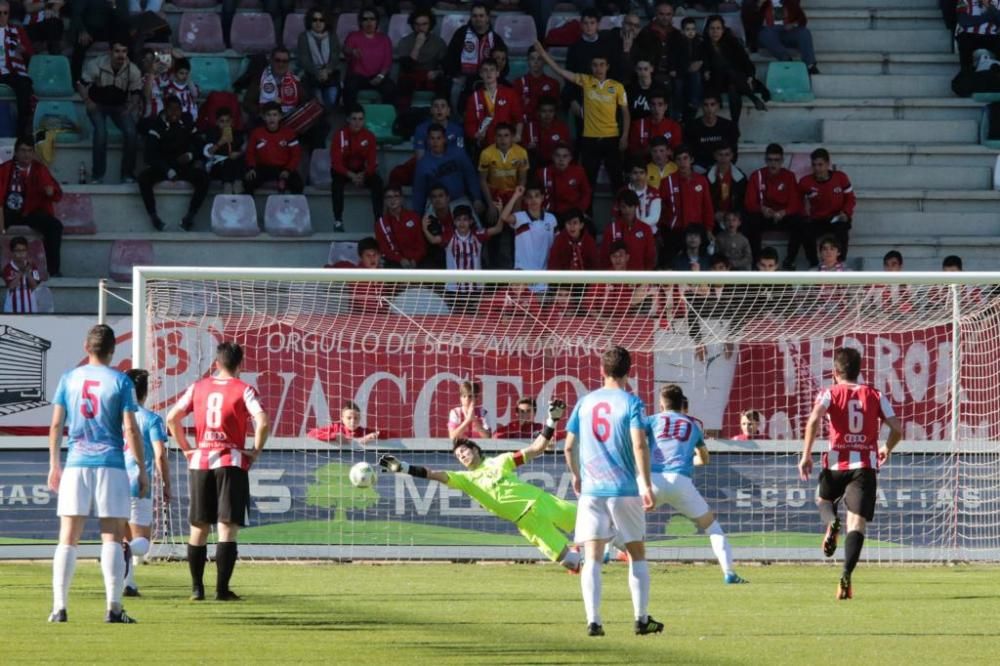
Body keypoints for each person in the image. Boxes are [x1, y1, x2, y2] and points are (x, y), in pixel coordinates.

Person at [380, 401, 583, 572]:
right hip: (527, 523)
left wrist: (551, 420)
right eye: (458, 456)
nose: (462, 456)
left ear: (475, 450)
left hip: (542, 502)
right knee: (572, 563)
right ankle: (581, 556)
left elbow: (536, 448)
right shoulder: (464, 479)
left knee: (594, 524)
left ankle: (606, 549)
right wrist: (403, 467)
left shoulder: (501, 461)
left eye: (464, 451)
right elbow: (432, 474)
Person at [47, 324, 146, 624]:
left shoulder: (69, 378)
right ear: (113, 350)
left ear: (85, 347)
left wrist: (54, 463)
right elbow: (130, 427)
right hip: (112, 464)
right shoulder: (120, 381)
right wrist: (141, 468)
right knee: (112, 536)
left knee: (68, 537)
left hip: (77, 463)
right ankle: (113, 608)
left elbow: (55, 425)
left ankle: (59, 608)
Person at [564, 346, 662, 637]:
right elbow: (639, 444)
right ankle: (641, 619)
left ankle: (594, 621)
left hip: (592, 491)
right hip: (624, 489)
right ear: (629, 371)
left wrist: (577, 475)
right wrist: (645, 484)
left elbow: (569, 446)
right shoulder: (632, 402)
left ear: (601, 371)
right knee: (636, 553)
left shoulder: (585, 402)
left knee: (592, 557)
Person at [166, 342, 269, 602]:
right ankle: (222, 590)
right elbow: (263, 421)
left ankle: (196, 589)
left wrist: (187, 448)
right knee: (226, 527)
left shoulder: (198, 387)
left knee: (198, 527)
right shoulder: (244, 389)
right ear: (240, 365)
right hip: (230, 461)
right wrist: (255, 450)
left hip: (200, 460)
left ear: (217, 363)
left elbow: (171, 418)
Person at [798, 347, 903, 600]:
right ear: (860, 372)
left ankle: (831, 522)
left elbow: (813, 420)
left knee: (823, 500)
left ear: (835, 373)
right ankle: (846, 574)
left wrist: (806, 455)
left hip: (836, 465)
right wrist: (885, 448)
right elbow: (897, 429)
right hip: (864, 468)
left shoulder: (829, 393)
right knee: (857, 523)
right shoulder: (875, 394)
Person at [647, 384, 747, 584]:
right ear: (681, 403)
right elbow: (704, 459)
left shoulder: (650, 421)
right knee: (712, 526)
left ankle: (606, 551)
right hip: (681, 481)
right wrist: (686, 461)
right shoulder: (692, 425)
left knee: (620, 517)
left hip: (654, 479)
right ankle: (729, 573)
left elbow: (636, 443)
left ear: (661, 404)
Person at [535, 43, 630, 196]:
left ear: (607, 67)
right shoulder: (585, 81)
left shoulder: (617, 87)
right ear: (591, 67)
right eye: (595, 65)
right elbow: (560, 71)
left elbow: (625, 112)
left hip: (612, 138)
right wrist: (543, 54)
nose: (598, 68)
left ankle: (620, 216)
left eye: (601, 65)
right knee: (587, 182)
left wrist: (624, 136)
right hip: (590, 139)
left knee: (617, 181)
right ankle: (587, 218)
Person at [121, 368, 170, 598]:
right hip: (138, 483)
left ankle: (128, 584)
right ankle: (121, 554)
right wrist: (167, 484)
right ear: (145, 391)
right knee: (141, 542)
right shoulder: (151, 419)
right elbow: (160, 454)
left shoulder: (115, 417)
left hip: (113, 480)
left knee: (122, 537)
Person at [138, 95, 208, 232]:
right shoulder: (156, 126)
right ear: (165, 110)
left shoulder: (187, 122)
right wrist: (167, 170)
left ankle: (190, 217)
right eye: (171, 110)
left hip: (183, 166)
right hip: (163, 167)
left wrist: (191, 155)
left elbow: (200, 145)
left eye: (177, 109)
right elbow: (150, 155)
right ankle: (154, 217)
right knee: (143, 178)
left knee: (204, 178)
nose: (174, 113)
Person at [78, 39, 142, 184]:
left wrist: (130, 108)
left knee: (132, 133)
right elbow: (81, 85)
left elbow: (136, 93)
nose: (121, 55)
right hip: (97, 104)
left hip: (119, 106)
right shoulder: (96, 64)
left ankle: (127, 174)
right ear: (110, 52)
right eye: (117, 51)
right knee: (101, 133)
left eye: (124, 51)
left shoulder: (133, 70)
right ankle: (97, 176)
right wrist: (88, 102)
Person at [0, 137, 63, 276]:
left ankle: (53, 270)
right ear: (15, 153)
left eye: (29, 151)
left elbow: (56, 194)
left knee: (55, 226)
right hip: (8, 212)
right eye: (22, 150)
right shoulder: (5, 169)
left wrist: (50, 192)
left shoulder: (40, 169)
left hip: (32, 212)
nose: (26, 154)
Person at [744, 143, 806, 269]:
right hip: (764, 215)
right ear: (765, 160)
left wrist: (784, 212)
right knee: (750, 221)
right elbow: (749, 202)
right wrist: (762, 209)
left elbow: (796, 202)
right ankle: (756, 261)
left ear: (782, 161)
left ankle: (790, 260)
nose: (773, 164)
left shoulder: (789, 176)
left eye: (777, 160)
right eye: (770, 160)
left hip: (783, 215)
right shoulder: (757, 176)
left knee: (801, 222)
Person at [423, 204, 502, 301]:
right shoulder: (449, 236)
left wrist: (500, 212)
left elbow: (498, 229)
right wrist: (424, 227)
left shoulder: (478, 235)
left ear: (471, 221)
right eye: (458, 220)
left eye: (465, 219)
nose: (462, 223)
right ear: (454, 222)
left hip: (476, 288)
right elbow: (433, 240)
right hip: (453, 288)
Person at [701, 16, 766, 127]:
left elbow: (746, 62)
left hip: (736, 81)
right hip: (717, 82)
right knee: (727, 70)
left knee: (733, 88)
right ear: (707, 30)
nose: (715, 32)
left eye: (718, 28)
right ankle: (752, 97)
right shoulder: (702, 46)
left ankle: (734, 125)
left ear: (723, 30)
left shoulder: (732, 42)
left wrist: (750, 77)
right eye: (712, 28)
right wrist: (705, 70)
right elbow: (703, 66)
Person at [444, 2, 506, 111]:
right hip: (464, 77)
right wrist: (455, 75)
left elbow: (504, 64)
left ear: (487, 18)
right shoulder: (461, 33)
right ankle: (458, 119)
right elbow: (450, 57)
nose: (478, 19)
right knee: (454, 89)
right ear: (471, 17)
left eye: (481, 16)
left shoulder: (495, 38)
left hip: (487, 78)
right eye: (475, 16)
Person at [330, 105, 384, 232]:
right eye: (354, 119)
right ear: (348, 119)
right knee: (336, 184)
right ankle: (338, 220)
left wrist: (363, 175)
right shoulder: (339, 135)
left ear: (364, 120)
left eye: (360, 119)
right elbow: (336, 163)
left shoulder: (370, 136)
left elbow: (372, 162)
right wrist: (351, 175)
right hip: (343, 171)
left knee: (378, 182)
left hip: (362, 171)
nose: (357, 122)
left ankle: (378, 220)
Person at [412, 125, 483, 216]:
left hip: (459, 200)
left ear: (444, 139)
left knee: (475, 228)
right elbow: (419, 192)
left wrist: (477, 198)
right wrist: (417, 215)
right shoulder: (423, 164)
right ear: (428, 141)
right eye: (432, 138)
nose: (435, 142)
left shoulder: (458, 153)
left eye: (438, 138)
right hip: (435, 204)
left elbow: (471, 176)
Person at [799, 148, 856, 260]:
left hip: (837, 217)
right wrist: (805, 215)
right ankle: (814, 264)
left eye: (820, 165)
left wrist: (846, 212)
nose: (817, 168)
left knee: (842, 230)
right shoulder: (805, 182)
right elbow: (798, 202)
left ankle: (840, 263)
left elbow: (850, 198)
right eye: (814, 165)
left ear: (827, 164)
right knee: (805, 231)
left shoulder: (840, 177)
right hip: (818, 219)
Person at [660, 146, 715, 261]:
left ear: (692, 160)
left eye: (685, 158)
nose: (682, 162)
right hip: (675, 231)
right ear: (675, 162)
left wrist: (709, 229)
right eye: (679, 159)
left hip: (697, 231)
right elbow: (661, 208)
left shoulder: (701, 180)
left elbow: (707, 206)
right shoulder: (667, 182)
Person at [499, 184, 558, 281]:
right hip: (522, 278)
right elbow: (504, 217)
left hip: (545, 276)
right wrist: (516, 195)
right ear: (525, 200)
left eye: (536, 196)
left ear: (542, 198)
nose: (533, 200)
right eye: (530, 197)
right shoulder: (520, 217)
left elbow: (556, 246)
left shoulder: (551, 219)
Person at [744, 0, 819, 75]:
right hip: (768, 33)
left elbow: (802, 20)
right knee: (765, 33)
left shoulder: (790, 2)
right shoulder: (757, 3)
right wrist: (758, 5)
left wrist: (793, 24)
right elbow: (750, 23)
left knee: (804, 32)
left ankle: (810, 65)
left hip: (785, 31)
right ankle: (786, 59)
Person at [244, 102, 304, 195]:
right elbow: (250, 152)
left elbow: (296, 155)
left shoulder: (289, 133)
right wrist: (251, 167)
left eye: (275, 115)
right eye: (268, 115)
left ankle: (293, 209)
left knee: (298, 185)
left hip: (283, 167)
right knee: (248, 182)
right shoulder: (256, 133)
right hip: (263, 167)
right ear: (263, 117)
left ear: (280, 116)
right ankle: (249, 209)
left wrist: (288, 169)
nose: (271, 118)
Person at [631, 2, 686, 101]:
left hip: (672, 73)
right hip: (652, 73)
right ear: (656, 14)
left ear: (672, 15)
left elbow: (682, 57)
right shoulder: (645, 33)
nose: (665, 17)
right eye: (662, 14)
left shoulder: (677, 34)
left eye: (668, 14)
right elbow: (639, 56)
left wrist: (675, 70)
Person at [464, 58, 523, 150]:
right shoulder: (474, 97)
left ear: (497, 73)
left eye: (492, 69)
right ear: (481, 74)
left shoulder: (510, 93)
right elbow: (469, 124)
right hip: (486, 146)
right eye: (485, 70)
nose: (489, 73)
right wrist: (477, 135)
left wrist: (518, 135)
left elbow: (519, 119)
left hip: (507, 144)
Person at [342, 8, 395, 109]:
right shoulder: (353, 36)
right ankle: (352, 116)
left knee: (391, 89)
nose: (369, 22)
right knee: (349, 88)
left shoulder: (384, 39)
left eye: (372, 19)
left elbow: (387, 61)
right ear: (360, 22)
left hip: (378, 76)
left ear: (377, 21)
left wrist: (380, 76)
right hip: (358, 76)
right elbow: (345, 49)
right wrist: (352, 51)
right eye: (365, 19)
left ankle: (385, 117)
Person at [396, 8, 447, 108]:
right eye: (417, 24)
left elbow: (445, 66)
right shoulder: (405, 41)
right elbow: (406, 67)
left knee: (444, 83)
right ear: (412, 25)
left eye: (424, 24)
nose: (420, 28)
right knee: (404, 82)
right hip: (411, 75)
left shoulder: (439, 42)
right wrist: (417, 46)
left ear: (430, 25)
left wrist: (437, 72)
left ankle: (441, 113)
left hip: (430, 75)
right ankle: (404, 115)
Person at [0, 1, 35, 139]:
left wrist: (23, 50)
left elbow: (31, 53)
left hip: (10, 72)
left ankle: (21, 134)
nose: (2, 16)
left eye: (5, 13)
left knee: (25, 85)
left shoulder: (17, 31)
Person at [297, 7, 341, 110]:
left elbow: (335, 56)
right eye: (315, 20)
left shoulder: (332, 36)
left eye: (321, 20)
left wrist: (327, 70)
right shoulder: (303, 37)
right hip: (311, 74)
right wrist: (317, 72)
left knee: (331, 99)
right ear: (310, 21)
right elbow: (304, 59)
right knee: (317, 102)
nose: (318, 23)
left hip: (329, 74)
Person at [603, 189, 657, 270]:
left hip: (639, 279)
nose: (627, 210)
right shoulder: (611, 229)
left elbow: (650, 257)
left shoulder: (646, 229)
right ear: (619, 207)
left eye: (630, 206)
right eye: (624, 206)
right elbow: (604, 257)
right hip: (616, 279)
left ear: (636, 206)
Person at [243, 48, 304, 119]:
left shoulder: (295, 81)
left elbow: (303, 102)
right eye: (277, 60)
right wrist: (262, 112)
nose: (281, 64)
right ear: (271, 61)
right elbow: (247, 103)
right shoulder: (260, 79)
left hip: (289, 121)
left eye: (285, 61)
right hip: (265, 121)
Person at [684, 94, 741, 172]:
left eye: (712, 104)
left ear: (718, 106)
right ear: (702, 106)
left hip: (722, 166)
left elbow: (733, 152)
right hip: (699, 168)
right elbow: (688, 152)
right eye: (706, 105)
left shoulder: (729, 126)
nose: (709, 108)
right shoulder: (691, 127)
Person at [375, 186, 426, 269]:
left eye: (396, 196)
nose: (393, 200)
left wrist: (415, 259)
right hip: (395, 262)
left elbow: (421, 243)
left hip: (417, 261)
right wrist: (400, 259)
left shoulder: (414, 217)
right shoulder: (381, 223)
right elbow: (384, 248)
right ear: (385, 201)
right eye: (389, 197)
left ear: (402, 199)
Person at [538, 143, 592, 218]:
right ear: (553, 157)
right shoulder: (543, 173)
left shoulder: (579, 171)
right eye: (558, 156)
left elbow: (586, 192)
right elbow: (536, 194)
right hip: (550, 213)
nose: (561, 159)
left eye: (565, 156)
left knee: (589, 227)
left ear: (570, 158)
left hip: (573, 212)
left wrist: (580, 210)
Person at [627, 90, 683, 158]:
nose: (656, 108)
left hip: (667, 165)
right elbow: (632, 152)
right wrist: (647, 151)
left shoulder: (674, 126)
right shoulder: (638, 125)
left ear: (665, 107)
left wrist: (662, 152)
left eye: (660, 104)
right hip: (644, 165)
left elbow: (677, 152)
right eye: (653, 104)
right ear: (649, 106)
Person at [202, 107, 245, 194]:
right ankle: (228, 190)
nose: (225, 124)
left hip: (233, 165)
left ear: (232, 122)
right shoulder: (212, 134)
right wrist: (221, 142)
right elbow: (207, 153)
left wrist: (238, 154)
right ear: (217, 122)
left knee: (238, 161)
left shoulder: (237, 135)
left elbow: (243, 150)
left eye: (227, 121)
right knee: (228, 162)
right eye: (222, 121)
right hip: (217, 166)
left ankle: (238, 187)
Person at [514, 47, 561, 124]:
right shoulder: (518, 83)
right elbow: (516, 110)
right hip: (525, 126)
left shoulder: (553, 84)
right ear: (528, 61)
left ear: (544, 61)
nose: (536, 62)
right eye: (532, 59)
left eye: (539, 59)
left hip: (546, 127)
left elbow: (553, 110)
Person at [707, 144, 747, 228]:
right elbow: (704, 201)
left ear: (732, 156)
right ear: (715, 156)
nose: (723, 158)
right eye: (720, 154)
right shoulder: (706, 177)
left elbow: (743, 201)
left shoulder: (740, 177)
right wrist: (714, 213)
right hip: (713, 216)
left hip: (734, 217)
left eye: (727, 154)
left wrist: (732, 215)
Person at [307, 401, 380, 446]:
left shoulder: (364, 432)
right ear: (342, 419)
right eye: (349, 418)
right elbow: (311, 433)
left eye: (356, 418)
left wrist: (373, 436)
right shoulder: (336, 428)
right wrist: (334, 436)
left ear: (360, 419)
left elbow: (383, 434)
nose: (352, 421)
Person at [524, 97, 571, 168]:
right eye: (544, 111)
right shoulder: (530, 127)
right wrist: (528, 147)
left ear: (555, 112)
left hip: (554, 164)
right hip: (535, 164)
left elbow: (566, 151)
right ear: (538, 112)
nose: (547, 114)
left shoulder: (561, 128)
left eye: (550, 111)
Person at [619, 160, 662, 234]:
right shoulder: (622, 192)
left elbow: (655, 218)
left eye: (641, 173)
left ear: (646, 175)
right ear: (630, 175)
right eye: (635, 173)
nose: (638, 176)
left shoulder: (654, 192)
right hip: (627, 232)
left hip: (650, 233)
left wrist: (636, 226)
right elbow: (617, 215)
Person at [3, 235, 40, 312]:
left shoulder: (32, 266)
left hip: (30, 307)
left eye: (23, 250)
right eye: (18, 250)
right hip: (13, 308)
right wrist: (21, 272)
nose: (21, 253)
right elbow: (11, 286)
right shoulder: (8, 268)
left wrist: (27, 272)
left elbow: (34, 286)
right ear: (12, 252)